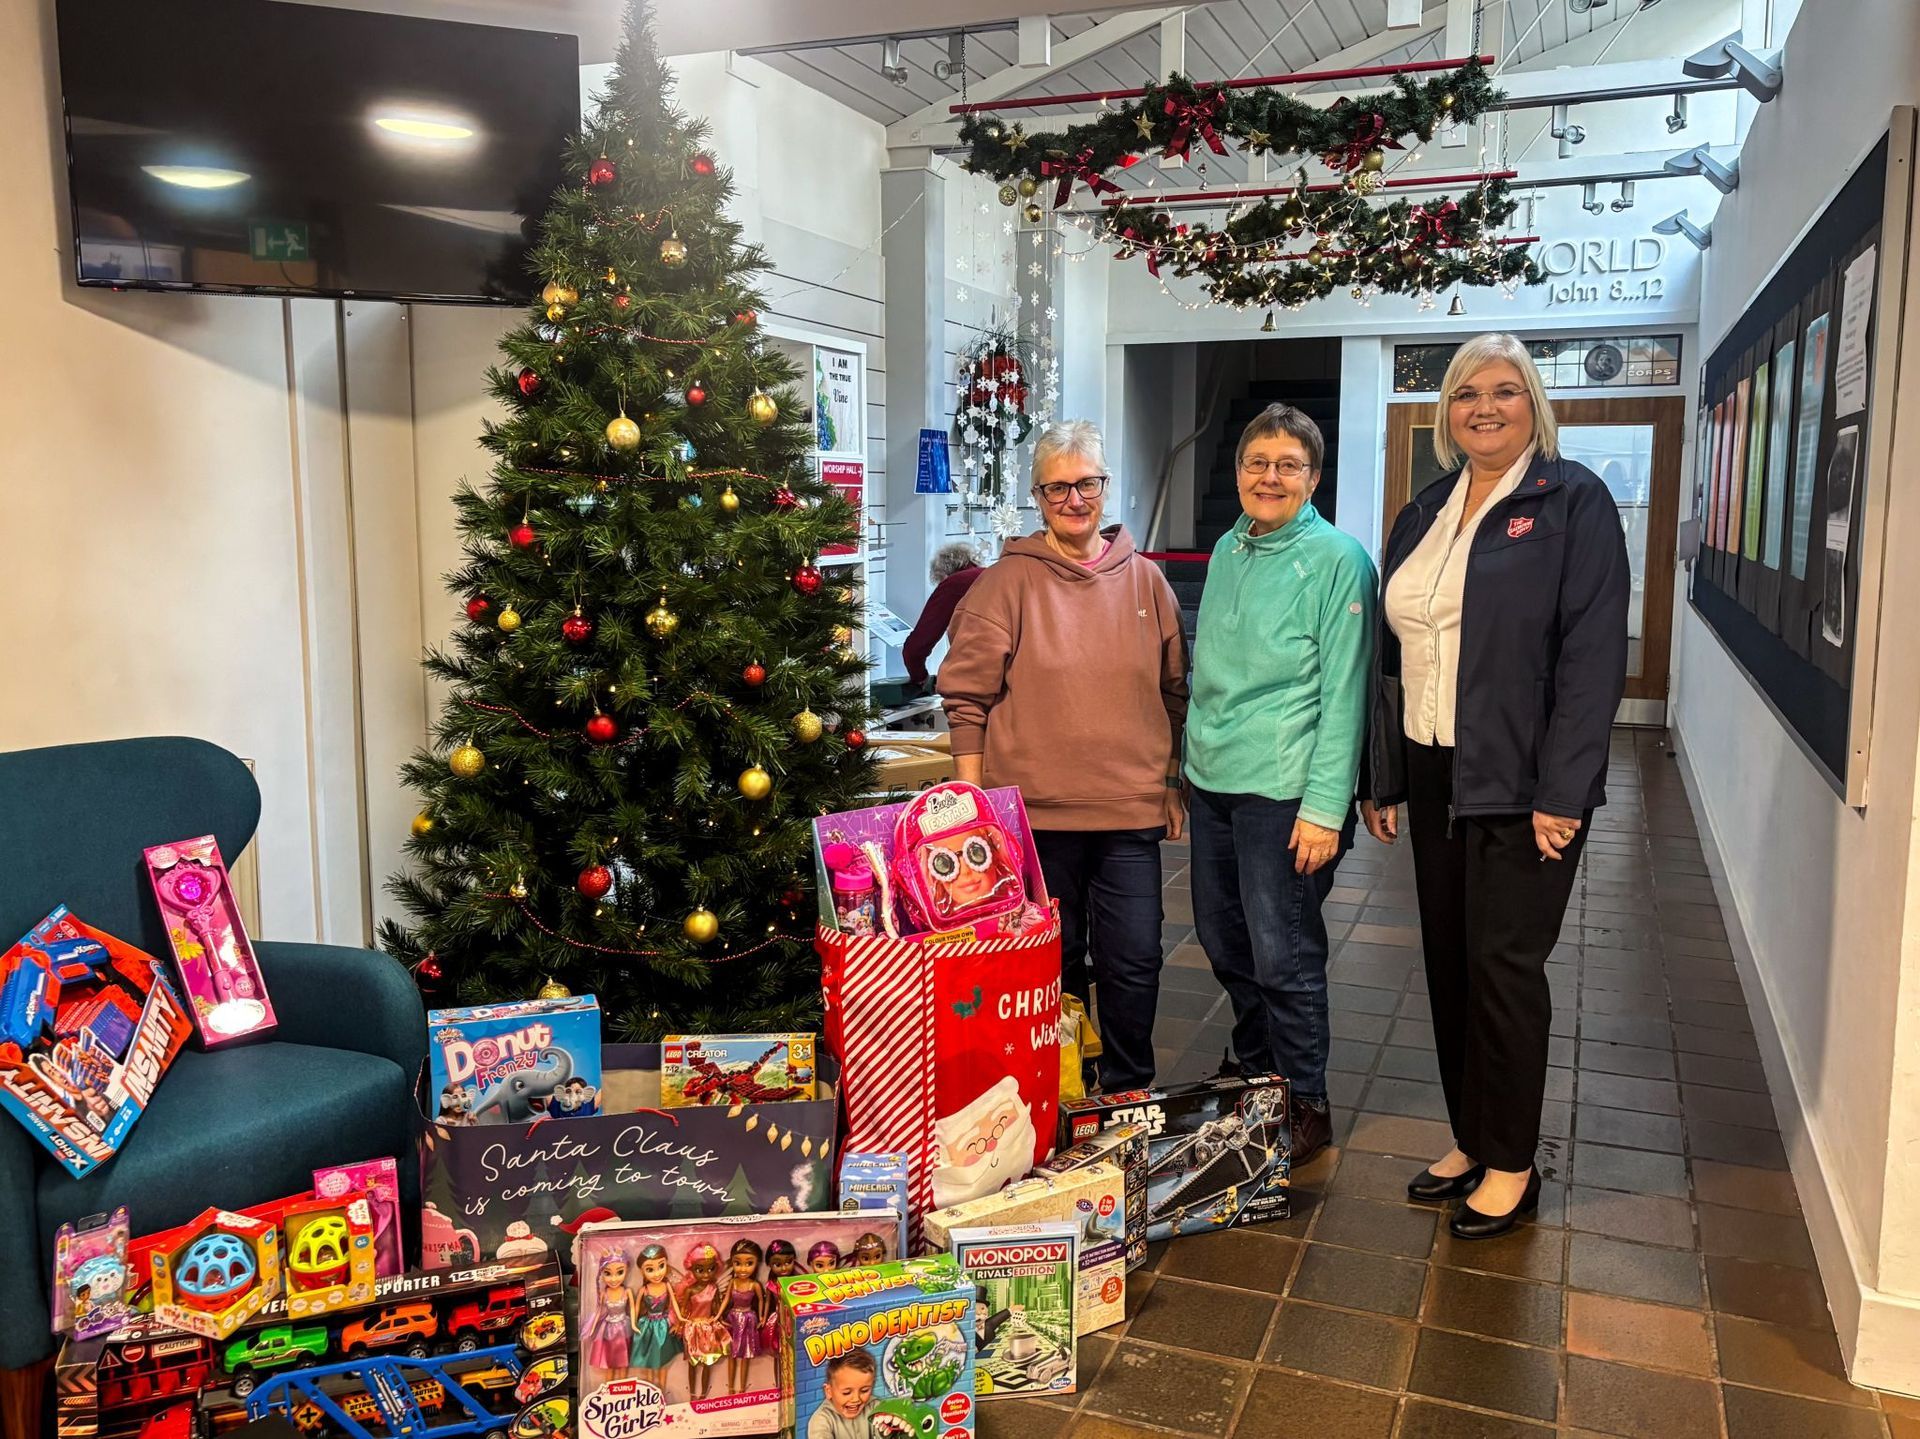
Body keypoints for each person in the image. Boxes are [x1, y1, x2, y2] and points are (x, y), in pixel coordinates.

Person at [1362, 332, 1629, 1239]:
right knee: (1447, 960)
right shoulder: (1425, 508)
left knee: (1504, 968)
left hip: (1523, 778)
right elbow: (1396, 657)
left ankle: (1513, 1162)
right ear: (1446, 411)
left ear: (1534, 404)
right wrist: (1388, 776)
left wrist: (1565, 790)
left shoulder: (1573, 502)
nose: (1485, 406)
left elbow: (1593, 660)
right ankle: (1471, 1134)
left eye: (1506, 391)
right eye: (1467, 392)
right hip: (1434, 769)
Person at [939, 420, 1189, 1091]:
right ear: (1037, 494)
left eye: (1086, 483)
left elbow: (1174, 693)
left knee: (1134, 959)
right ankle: (1061, 1090)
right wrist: (976, 805)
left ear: (1107, 487)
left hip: (1129, 812)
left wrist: (1170, 782)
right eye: (1057, 487)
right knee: (1051, 963)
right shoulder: (1004, 584)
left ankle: (1130, 1088)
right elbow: (966, 696)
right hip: (1033, 820)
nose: (1074, 498)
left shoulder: (1147, 583)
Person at [1185, 404, 1376, 1166]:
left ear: (1314, 477)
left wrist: (1326, 807)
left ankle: (1304, 1097)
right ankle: (1256, 1062)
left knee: (1284, 953)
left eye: (1287, 465)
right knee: (1221, 936)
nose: (1270, 476)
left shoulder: (1337, 559)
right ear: (1237, 473)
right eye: (1257, 462)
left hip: (1287, 792)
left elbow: (1347, 693)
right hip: (1214, 782)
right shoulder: (1231, 546)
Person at [902, 542, 986, 690]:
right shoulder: (993, 574)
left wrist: (920, 677)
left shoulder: (954, 584)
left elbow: (916, 646)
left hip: (979, 674)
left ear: (943, 573)